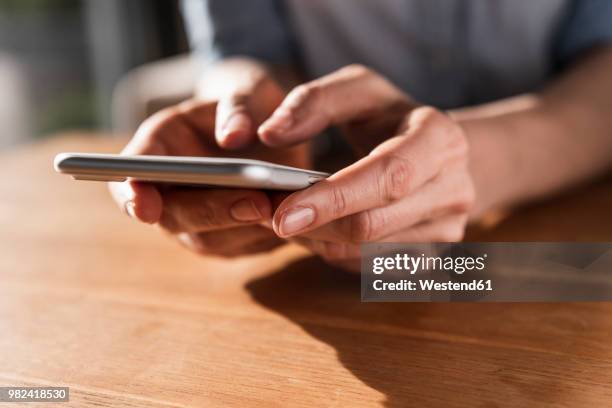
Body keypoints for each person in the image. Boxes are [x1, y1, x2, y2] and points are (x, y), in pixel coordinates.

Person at [110, 0, 612, 270]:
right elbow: (243, 49)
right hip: (324, 253)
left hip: (574, 229)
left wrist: (474, 162)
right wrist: (240, 111)